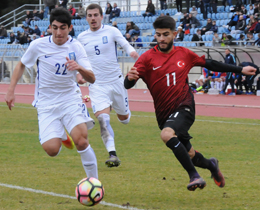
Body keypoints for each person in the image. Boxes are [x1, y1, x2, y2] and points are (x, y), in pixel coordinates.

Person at [123, 15, 256, 191]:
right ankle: (211, 165)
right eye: (158, 35)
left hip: (184, 106)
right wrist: (129, 79)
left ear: (174, 34)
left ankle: (194, 176)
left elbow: (211, 63)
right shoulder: (147, 58)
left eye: (165, 34)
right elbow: (128, 83)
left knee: (166, 135)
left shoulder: (184, 54)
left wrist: (240, 70)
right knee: (190, 154)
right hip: (164, 114)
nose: (161, 39)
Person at [5, 7, 98, 180]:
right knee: (52, 150)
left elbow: (92, 78)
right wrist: (11, 91)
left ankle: (95, 183)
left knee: (82, 140)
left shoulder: (76, 47)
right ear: (49, 28)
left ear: (70, 28)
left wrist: (79, 68)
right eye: (54, 27)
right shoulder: (38, 45)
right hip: (46, 104)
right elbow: (21, 64)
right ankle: (62, 135)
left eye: (62, 27)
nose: (58, 32)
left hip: (70, 100)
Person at [77, 4, 139, 167]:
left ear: (101, 16)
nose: (93, 18)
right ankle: (113, 154)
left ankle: (120, 110)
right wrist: (79, 74)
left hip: (116, 82)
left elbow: (124, 44)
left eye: (95, 15)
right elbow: (78, 58)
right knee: (103, 119)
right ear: (86, 18)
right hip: (97, 85)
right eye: (89, 15)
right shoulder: (82, 38)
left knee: (124, 119)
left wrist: (132, 52)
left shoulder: (112, 31)